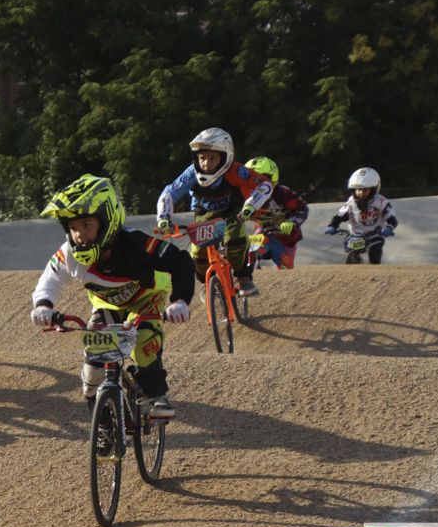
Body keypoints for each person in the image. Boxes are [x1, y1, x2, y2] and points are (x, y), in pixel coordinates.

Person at [30, 174, 196, 419]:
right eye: (73, 227)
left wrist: (179, 300)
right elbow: (51, 278)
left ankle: (155, 395)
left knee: (145, 339)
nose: (79, 234)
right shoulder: (70, 253)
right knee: (92, 374)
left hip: (146, 298)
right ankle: (103, 427)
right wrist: (43, 305)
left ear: (107, 220)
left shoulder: (136, 244)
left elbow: (181, 261)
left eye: (87, 224)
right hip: (107, 305)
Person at [156, 128, 274, 296]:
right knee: (199, 252)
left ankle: (243, 278)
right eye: (202, 158)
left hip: (232, 211)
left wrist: (250, 206)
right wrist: (164, 218)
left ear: (225, 157)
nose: (206, 163)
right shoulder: (191, 174)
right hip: (205, 212)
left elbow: (265, 184)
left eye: (213, 158)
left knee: (234, 240)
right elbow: (169, 192)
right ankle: (206, 282)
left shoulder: (236, 171)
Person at [242, 157, 310, 270]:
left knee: (283, 272)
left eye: (260, 179)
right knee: (249, 253)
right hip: (263, 232)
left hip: (286, 238)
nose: (255, 183)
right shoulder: (243, 196)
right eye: (251, 178)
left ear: (272, 179)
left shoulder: (282, 193)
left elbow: (303, 208)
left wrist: (292, 223)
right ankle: (249, 277)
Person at [324, 167, 399, 264]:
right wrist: (332, 226)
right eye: (358, 189)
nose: (361, 193)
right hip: (356, 234)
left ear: (373, 189)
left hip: (375, 234)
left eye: (365, 190)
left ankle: (375, 273)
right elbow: (340, 216)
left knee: (375, 252)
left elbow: (392, 219)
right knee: (351, 251)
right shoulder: (351, 201)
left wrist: (389, 228)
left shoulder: (381, 201)